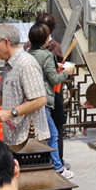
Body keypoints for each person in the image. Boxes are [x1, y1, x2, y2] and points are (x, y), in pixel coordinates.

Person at [26, 23, 75, 179]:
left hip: (29, 98)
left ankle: (43, 163)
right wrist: (66, 72)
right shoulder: (46, 55)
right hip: (43, 99)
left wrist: (56, 65)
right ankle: (57, 168)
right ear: (44, 40)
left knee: (38, 134)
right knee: (53, 134)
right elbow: (54, 79)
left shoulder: (28, 52)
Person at [34, 14, 67, 161]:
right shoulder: (52, 49)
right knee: (55, 131)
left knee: (39, 129)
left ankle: (41, 159)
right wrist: (65, 71)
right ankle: (57, 162)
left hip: (33, 94)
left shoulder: (28, 47)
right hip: (51, 94)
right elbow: (54, 77)